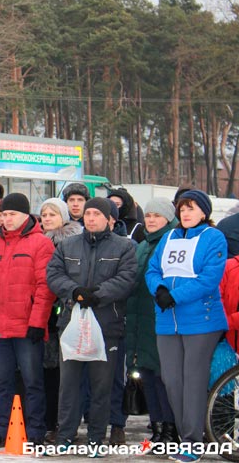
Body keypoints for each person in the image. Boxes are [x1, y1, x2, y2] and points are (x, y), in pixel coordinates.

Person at [46, 197, 137, 453]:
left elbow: (127, 278)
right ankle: (65, 436)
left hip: (107, 326)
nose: (91, 218)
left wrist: (98, 294)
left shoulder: (123, 246)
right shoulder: (68, 245)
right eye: (88, 214)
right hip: (72, 325)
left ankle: (96, 438)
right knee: (69, 386)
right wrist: (74, 291)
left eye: (97, 214)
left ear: (109, 219)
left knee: (101, 387)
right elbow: (53, 274)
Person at [146, 190, 228, 463]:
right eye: (182, 209)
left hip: (201, 321)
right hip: (167, 321)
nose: (185, 213)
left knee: (193, 381)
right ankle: (187, 437)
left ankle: (192, 442)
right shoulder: (169, 237)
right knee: (172, 381)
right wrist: (159, 290)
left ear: (204, 212)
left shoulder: (213, 237)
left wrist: (175, 296)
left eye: (191, 208)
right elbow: (152, 269)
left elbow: (209, 278)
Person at [0, 193, 56, 448]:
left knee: (32, 381)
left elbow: (45, 288)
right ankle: (3, 430)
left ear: (25, 215)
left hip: (27, 327)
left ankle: (36, 430)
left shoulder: (41, 243)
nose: (7, 219)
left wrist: (37, 322)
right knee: (1, 382)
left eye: (12, 214)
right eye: (4, 215)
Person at [126, 197, 178, 444]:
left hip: (160, 318)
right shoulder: (142, 245)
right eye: (148, 215)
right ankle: (157, 428)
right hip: (140, 321)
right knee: (147, 376)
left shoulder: (172, 243)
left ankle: (170, 428)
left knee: (161, 377)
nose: (151, 220)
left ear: (168, 218)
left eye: (157, 215)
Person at [39, 197, 82, 443]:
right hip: (43, 313)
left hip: (65, 311)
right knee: (47, 371)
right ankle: (50, 422)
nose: (47, 219)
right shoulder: (40, 240)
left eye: (52, 214)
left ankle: (63, 423)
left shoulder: (71, 242)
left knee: (63, 374)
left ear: (63, 217)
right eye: (44, 214)